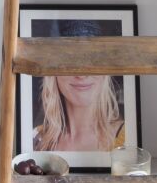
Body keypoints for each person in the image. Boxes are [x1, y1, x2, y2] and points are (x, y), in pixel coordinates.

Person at [32, 21, 125, 153]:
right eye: (70, 61)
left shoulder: (128, 138)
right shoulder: (36, 139)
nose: (82, 75)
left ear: (105, 73)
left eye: (92, 61)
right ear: (54, 74)